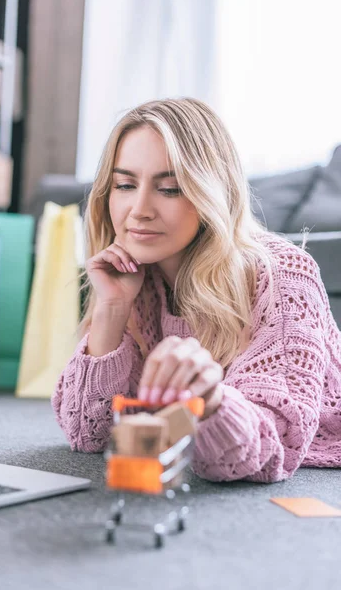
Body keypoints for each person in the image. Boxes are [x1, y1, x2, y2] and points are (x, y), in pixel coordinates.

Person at [52, 97, 341, 483]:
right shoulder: (138, 278)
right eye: (124, 184)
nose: (139, 209)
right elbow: (86, 434)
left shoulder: (283, 274)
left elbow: (268, 452)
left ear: (210, 194)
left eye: (169, 189)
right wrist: (112, 307)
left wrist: (209, 401)